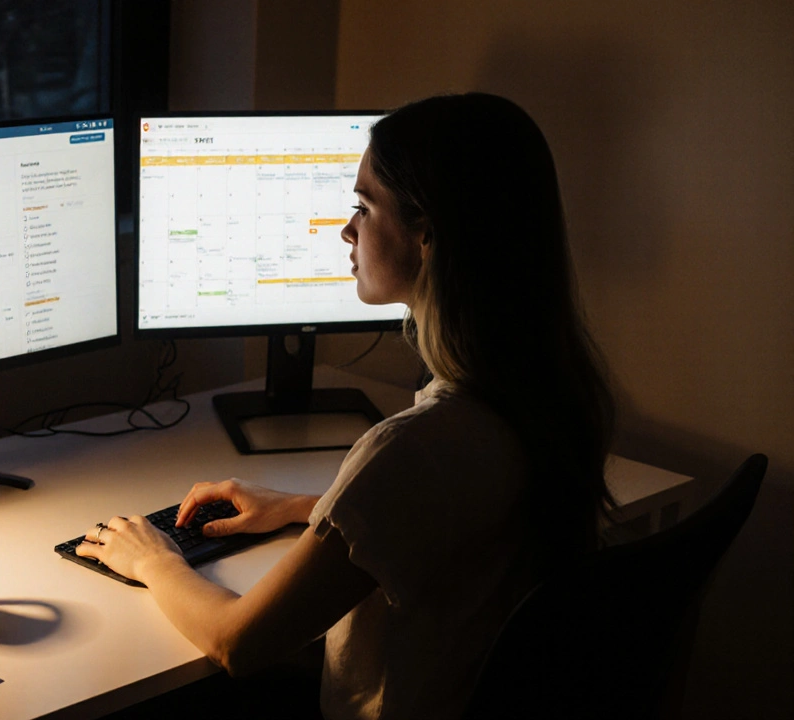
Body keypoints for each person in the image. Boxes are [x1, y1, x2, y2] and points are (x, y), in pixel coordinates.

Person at [74, 93, 614, 720]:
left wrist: (155, 559)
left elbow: (237, 642)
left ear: (428, 236)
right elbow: (445, 520)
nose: (347, 230)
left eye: (363, 206)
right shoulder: (550, 396)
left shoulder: (415, 446)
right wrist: (314, 511)